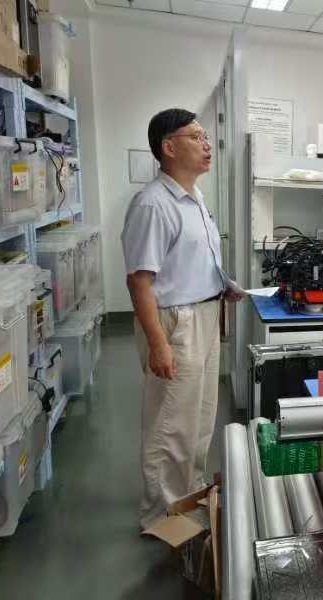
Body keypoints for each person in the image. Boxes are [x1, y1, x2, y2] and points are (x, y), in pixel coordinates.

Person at [121, 108, 245, 529]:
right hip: (176, 324)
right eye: (196, 137)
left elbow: (190, 261)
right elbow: (139, 282)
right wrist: (158, 343)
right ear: (169, 147)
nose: (207, 145)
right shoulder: (153, 204)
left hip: (206, 315)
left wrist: (222, 284)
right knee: (170, 423)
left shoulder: (195, 198)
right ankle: (161, 517)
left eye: (206, 136)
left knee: (199, 418)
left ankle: (188, 498)